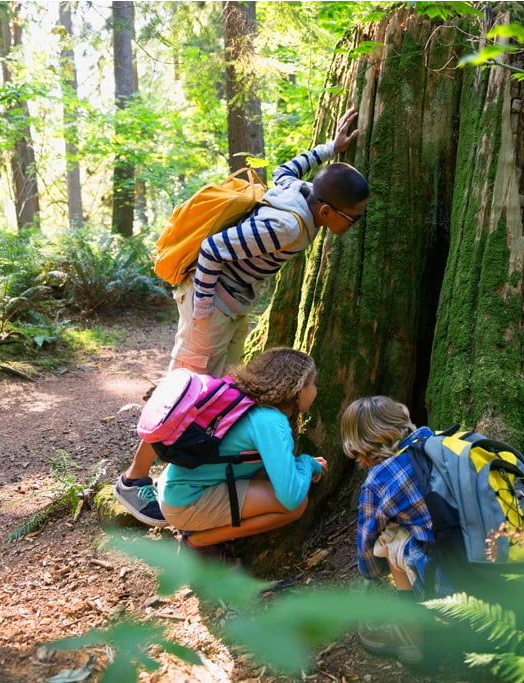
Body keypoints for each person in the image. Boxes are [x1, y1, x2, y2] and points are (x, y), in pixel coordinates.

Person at [114, 108, 366, 525]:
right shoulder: (287, 226)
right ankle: (133, 479)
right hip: (211, 301)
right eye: (351, 217)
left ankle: (198, 471)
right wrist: (204, 312)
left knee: (217, 387)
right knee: (181, 393)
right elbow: (213, 250)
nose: (353, 224)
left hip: (232, 301)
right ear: (326, 211)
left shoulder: (296, 190)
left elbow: (287, 167)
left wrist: (331, 149)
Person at [157, 347, 327, 555]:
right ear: (299, 390)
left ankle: (200, 527)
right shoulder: (271, 421)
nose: (316, 391)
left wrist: (300, 467)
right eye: (314, 384)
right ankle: (198, 540)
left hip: (176, 489)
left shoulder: (247, 402)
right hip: (186, 502)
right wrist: (307, 464)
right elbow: (290, 496)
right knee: (298, 505)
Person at [340, 396, 449, 665]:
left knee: (388, 539)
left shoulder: (378, 480)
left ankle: (412, 631)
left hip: (447, 574)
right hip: (493, 552)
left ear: (359, 445)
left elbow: (368, 546)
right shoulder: (438, 442)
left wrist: (372, 572)